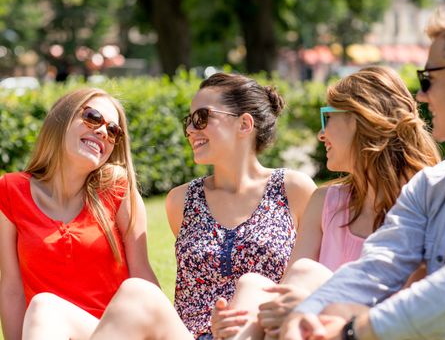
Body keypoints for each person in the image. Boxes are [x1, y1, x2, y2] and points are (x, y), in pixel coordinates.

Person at [281, 4, 445, 340]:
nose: (421, 97)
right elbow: (375, 268)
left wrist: (359, 329)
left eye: (429, 79)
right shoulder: (430, 187)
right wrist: (304, 315)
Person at [209, 66, 440, 340]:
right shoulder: (325, 202)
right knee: (252, 284)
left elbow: (418, 310)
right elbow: (286, 292)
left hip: (367, 331)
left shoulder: (426, 200)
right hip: (306, 329)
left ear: (361, 119)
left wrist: (316, 306)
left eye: (327, 118)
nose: (321, 134)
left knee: (307, 272)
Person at [84, 72, 317, 339]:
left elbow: (303, 282)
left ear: (244, 124)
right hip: (187, 335)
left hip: (260, 331)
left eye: (202, 118)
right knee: (136, 291)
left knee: (252, 287)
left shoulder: (292, 189)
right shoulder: (181, 201)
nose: (190, 130)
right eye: (189, 121)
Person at [0, 87, 158, 340]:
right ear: (61, 119)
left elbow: (142, 276)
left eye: (113, 131)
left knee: (44, 308)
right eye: (93, 117)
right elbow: (11, 288)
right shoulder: (10, 191)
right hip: (46, 332)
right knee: (44, 309)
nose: (103, 132)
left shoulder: (118, 189)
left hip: (115, 332)